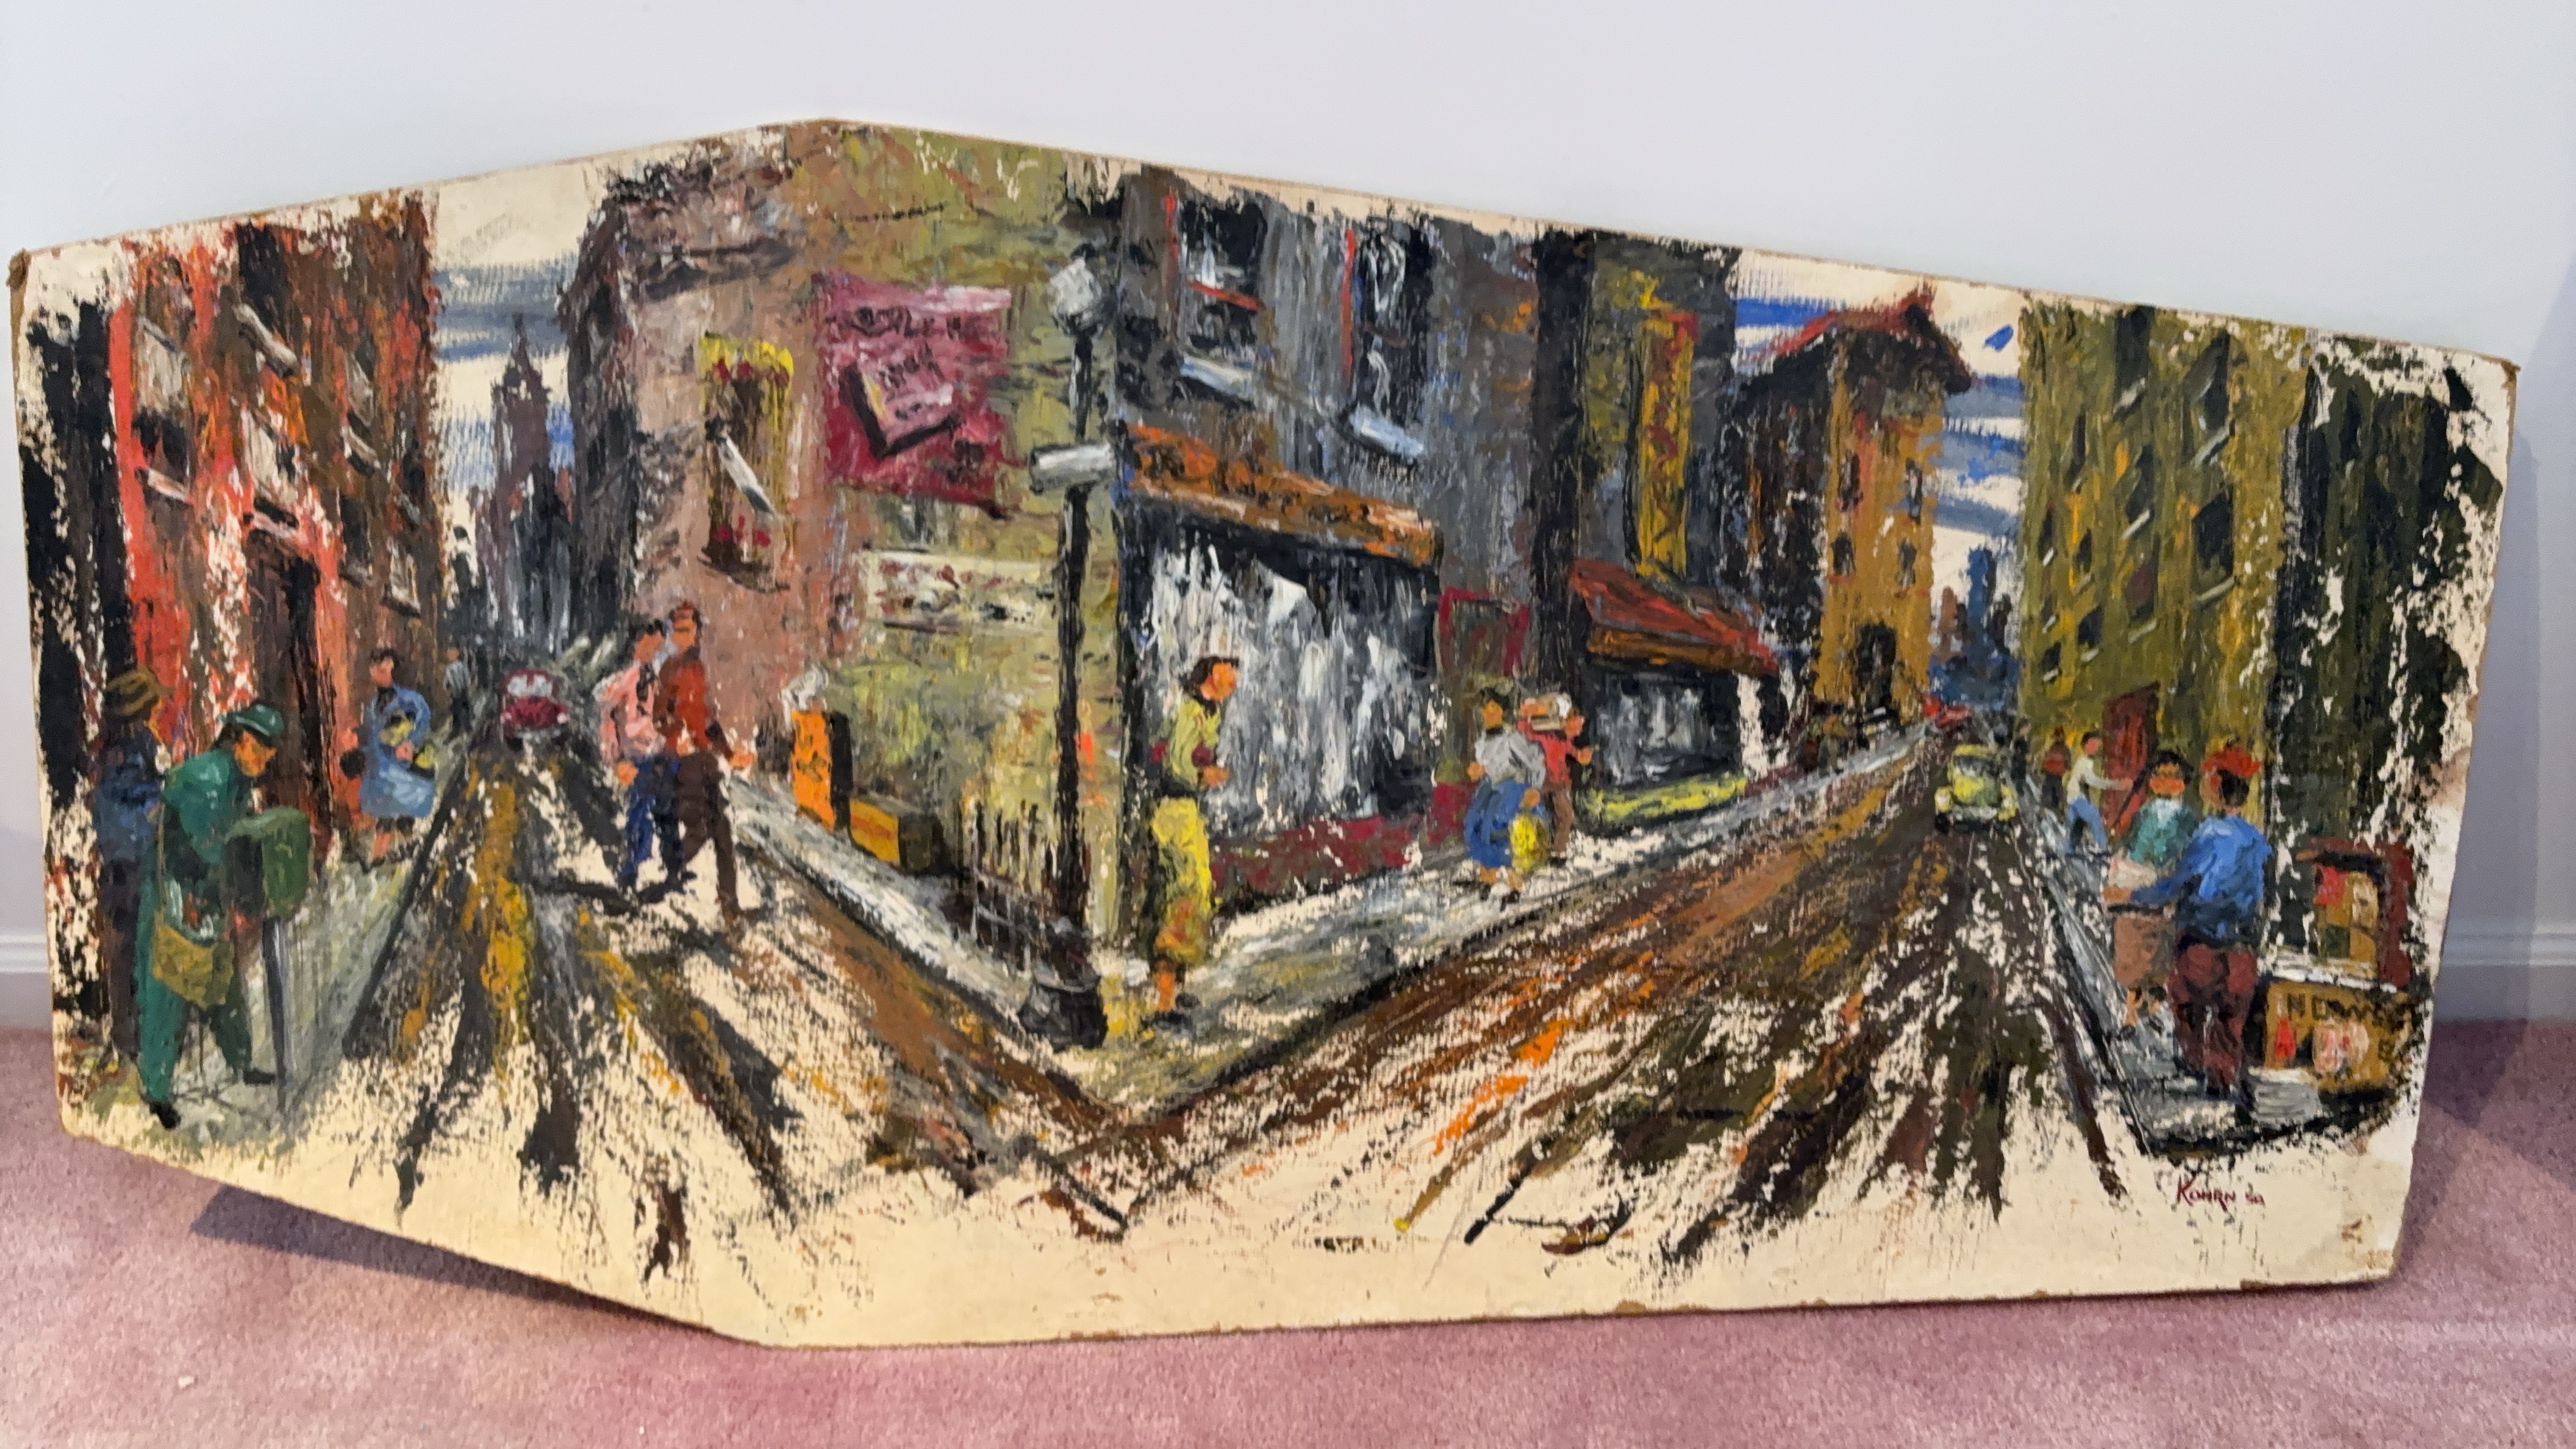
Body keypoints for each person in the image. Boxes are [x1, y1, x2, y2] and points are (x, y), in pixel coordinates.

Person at [136, 706, 285, 1128]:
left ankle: (241, 1061)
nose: (262, 761)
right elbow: (210, 846)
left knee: (222, 979)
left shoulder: (239, 780)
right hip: (175, 889)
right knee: (168, 988)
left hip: (206, 889)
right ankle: (157, 1091)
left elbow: (234, 837)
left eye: (268, 755)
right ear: (239, 740)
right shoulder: (208, 780)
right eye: (257, 750)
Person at [2115, 770, 2272, 1100]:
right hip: (2243, 946)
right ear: (2244, 800)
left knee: (2186, 999)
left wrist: (2140, 896)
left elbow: (2182, 878)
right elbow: (2263, 891)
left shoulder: (2208, 833)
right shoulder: (2258, 841)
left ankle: (2194, 1059)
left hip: (2201, 938)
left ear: (2218, 796)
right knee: (2231, 1014)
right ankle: (2220, 1077)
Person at [1147, 656, 1237, 1020]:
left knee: (1193, 896)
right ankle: (1164, 1002)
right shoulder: (1190, 713)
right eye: (1227, 672)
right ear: (1211, 676)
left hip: (1185, 813)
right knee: (1184, 897)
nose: (1234, 680)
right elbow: (1175, 763)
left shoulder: (1208, 713)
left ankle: (1174, 990)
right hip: (1175, 813)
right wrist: (1204, 776)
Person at [653, 602, 753, 926]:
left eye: (688, 631)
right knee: (701, 827)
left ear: (697, 633)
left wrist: (728, 752)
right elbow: (659, 717)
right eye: (678, 631)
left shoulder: (699, 670)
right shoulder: (668, 671)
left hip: (705, 759)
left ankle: (730, 904)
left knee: (722, 828)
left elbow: (707, 720)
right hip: (683, 762)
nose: (683, 637)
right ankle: (673, 867)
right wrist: (676, 733)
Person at [91, 668, 170, 1063]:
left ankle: (127, 1034)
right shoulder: (145, 750)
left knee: (122, 951)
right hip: (139, 863)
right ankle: (145, 1032)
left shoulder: (107, 756)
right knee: (145, 946)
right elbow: (159, 798)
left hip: (115, 868)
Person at [2104, 750, 2195, 1037]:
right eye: (2160, 775)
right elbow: (2129, 846)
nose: (2165, 781)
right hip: (2136, 885)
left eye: (2173, 776)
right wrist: (2122, 868)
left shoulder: (2187, 818)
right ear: (2152, 781)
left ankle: (2153, 1005)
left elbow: (2187, 855)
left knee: (2159, 950)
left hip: (2165, 889)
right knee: (2132, 947)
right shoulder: (2143, 814)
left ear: (2183, 782)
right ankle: (2131, 1012)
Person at [596, 618, 680, 895]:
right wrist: (616, 758)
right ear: (637, 644)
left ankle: (672, 869)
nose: (654, 651)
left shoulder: (655, 679)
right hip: (637, 757)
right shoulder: (625, 680)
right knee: (639, 813)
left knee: (668, 810)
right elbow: (607, 716)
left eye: (657, 647)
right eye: (650, 645)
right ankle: (631, 870)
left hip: (660, 752)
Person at [346, 648, 435, 865]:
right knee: (385, 810)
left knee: (399, 809)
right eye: (375, 668)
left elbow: (424, 718)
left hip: (401, 766)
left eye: (382, 668)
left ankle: (399, 848)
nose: (377, 673)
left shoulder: (408, 699)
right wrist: (357, 736)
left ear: (391, 669)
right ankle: (385, 853)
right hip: (381, 767)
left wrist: (411, 742)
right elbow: (372, 731)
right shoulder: (373, 703)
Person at [1465, 691, 1549, 901]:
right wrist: (1479, 771)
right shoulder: (1482, 740)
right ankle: (1488, 875)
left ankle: (1515, 882)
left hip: (1512, 788)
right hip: (1490, 788)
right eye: (1486, 708)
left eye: (1494, 708)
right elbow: (1488, 767)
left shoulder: (1512, 738)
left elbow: (1536, 759)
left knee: (1499, 825)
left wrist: (1535, 788)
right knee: (1474, 822)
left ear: (1503, 711)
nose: (1489, 712)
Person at [1519, 692, 1592, 864]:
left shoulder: (1564, 740)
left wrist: (1581, 756)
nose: (1578, 730)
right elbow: (1524, 729)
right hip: (1541, 781)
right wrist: (1527, 713)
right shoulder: (1545, 736)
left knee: (1566, 815)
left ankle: (1559, 851)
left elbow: (1575, 753)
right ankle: (1531, 847)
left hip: (1560, 782)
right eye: (1576, 724)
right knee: (1533, 811)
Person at [2063, 731, 2123, 857]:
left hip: (2074, 796)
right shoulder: (2084, 762)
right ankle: (2101, 847)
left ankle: (2069, 849)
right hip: (2077, 797)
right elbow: (2093, 781)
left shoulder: (2085, 761)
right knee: (2094, 815)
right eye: (2092, 744)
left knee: (2078, 824)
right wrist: (2116, 784)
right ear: (2084, 745)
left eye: (2097, 745)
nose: (2095, 748)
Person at [442, 646, 473, 734]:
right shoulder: (452, 668)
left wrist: (467, 684)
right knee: (459, 709)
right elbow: (447, 680)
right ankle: (460, 728)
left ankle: (463, 728)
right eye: (449, 655)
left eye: (451, 655)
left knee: (461, 709)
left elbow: (467, 676)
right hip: (458, 691)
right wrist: (446, 687)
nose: (449, 657)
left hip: (459, 691)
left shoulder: (458, 666)